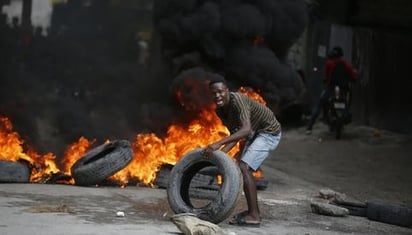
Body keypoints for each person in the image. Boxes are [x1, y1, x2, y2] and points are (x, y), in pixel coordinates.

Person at [202, 75, 282, 227]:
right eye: (214, 93)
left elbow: (246, 130)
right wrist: (222, 153)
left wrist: (217, 144)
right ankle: (252, 211)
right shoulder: (220, 111)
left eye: (220, 91)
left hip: (268, 132)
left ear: (227, 91)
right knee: (240, 166)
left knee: (244, 168)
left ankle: (254, 215)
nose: (217, 95)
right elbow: (236, 135)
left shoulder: (237, 100)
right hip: (254, 134)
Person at [305, 46, 357, 134]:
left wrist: (326, 80)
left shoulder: (329, 63)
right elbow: (353, 77)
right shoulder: (347, 65)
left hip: (331, 89)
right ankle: (346, 112)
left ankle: (309, 127)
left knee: (319, 104)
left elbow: (327, 76)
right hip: (344, 91)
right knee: (349, 100)